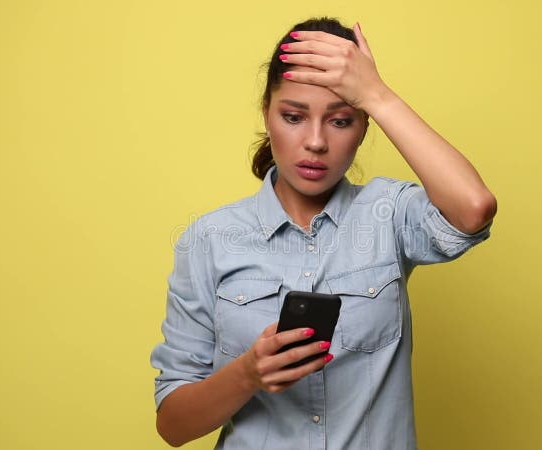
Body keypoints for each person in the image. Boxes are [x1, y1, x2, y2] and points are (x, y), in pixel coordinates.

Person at [150, 17, 497, 449]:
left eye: (340, 121)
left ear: (365, 125)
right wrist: (248, 374)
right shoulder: (209, 239)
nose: (315, 142)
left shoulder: (388, 214)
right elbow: (173, 425)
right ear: (267, 114)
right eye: (294, 116)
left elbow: (474, 208)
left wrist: (377, 95)